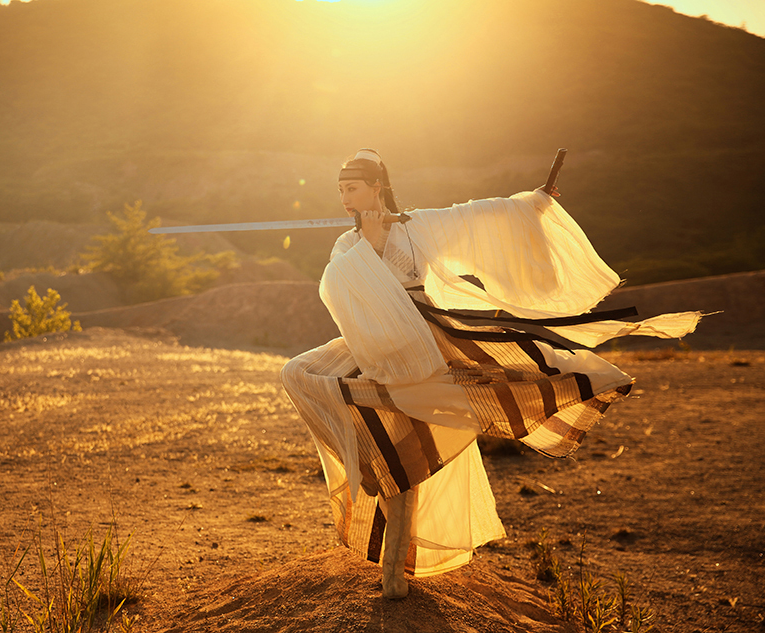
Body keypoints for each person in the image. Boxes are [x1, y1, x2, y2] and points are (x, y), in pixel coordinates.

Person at [279, 148, 702, 599]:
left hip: (434, 340)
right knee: (300, 375)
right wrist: (366, 242)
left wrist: (534, 203)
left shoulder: (417, 225)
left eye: (353, 188)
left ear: (376, 187)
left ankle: (394, 574)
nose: (345, 198)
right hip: (380, 347)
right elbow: (338, 285)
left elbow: (476, 217)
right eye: (340, 190)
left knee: (416, 454)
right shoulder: (347, 244)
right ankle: (388, 545)